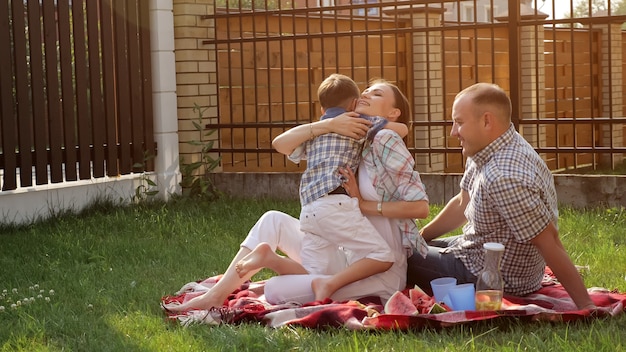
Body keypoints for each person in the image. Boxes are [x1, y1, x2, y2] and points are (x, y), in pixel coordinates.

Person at [163, 79, 428, 312]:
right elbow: (281, 143)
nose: (367, 94)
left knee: (276, 291)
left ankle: (275, 265)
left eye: (377, 93)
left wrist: (363, 204)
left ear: (393, 112)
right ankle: (216, 295)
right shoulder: (354, 136)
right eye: (366, 90)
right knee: (273, 219)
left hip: (379, 271)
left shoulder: (385, 139)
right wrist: (327, 125)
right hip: (348, 252)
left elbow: (420, 208)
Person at [406, 82, 596, 310]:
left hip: (497, 277)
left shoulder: (503, 177)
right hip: (476, 248)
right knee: (407, 243)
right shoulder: (490, 146)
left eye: (459, 122)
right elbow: (462, 203)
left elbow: (549, 241)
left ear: (487, 121)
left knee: (394, 251)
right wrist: (421, 236)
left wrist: (586, 306)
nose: (453, 132)